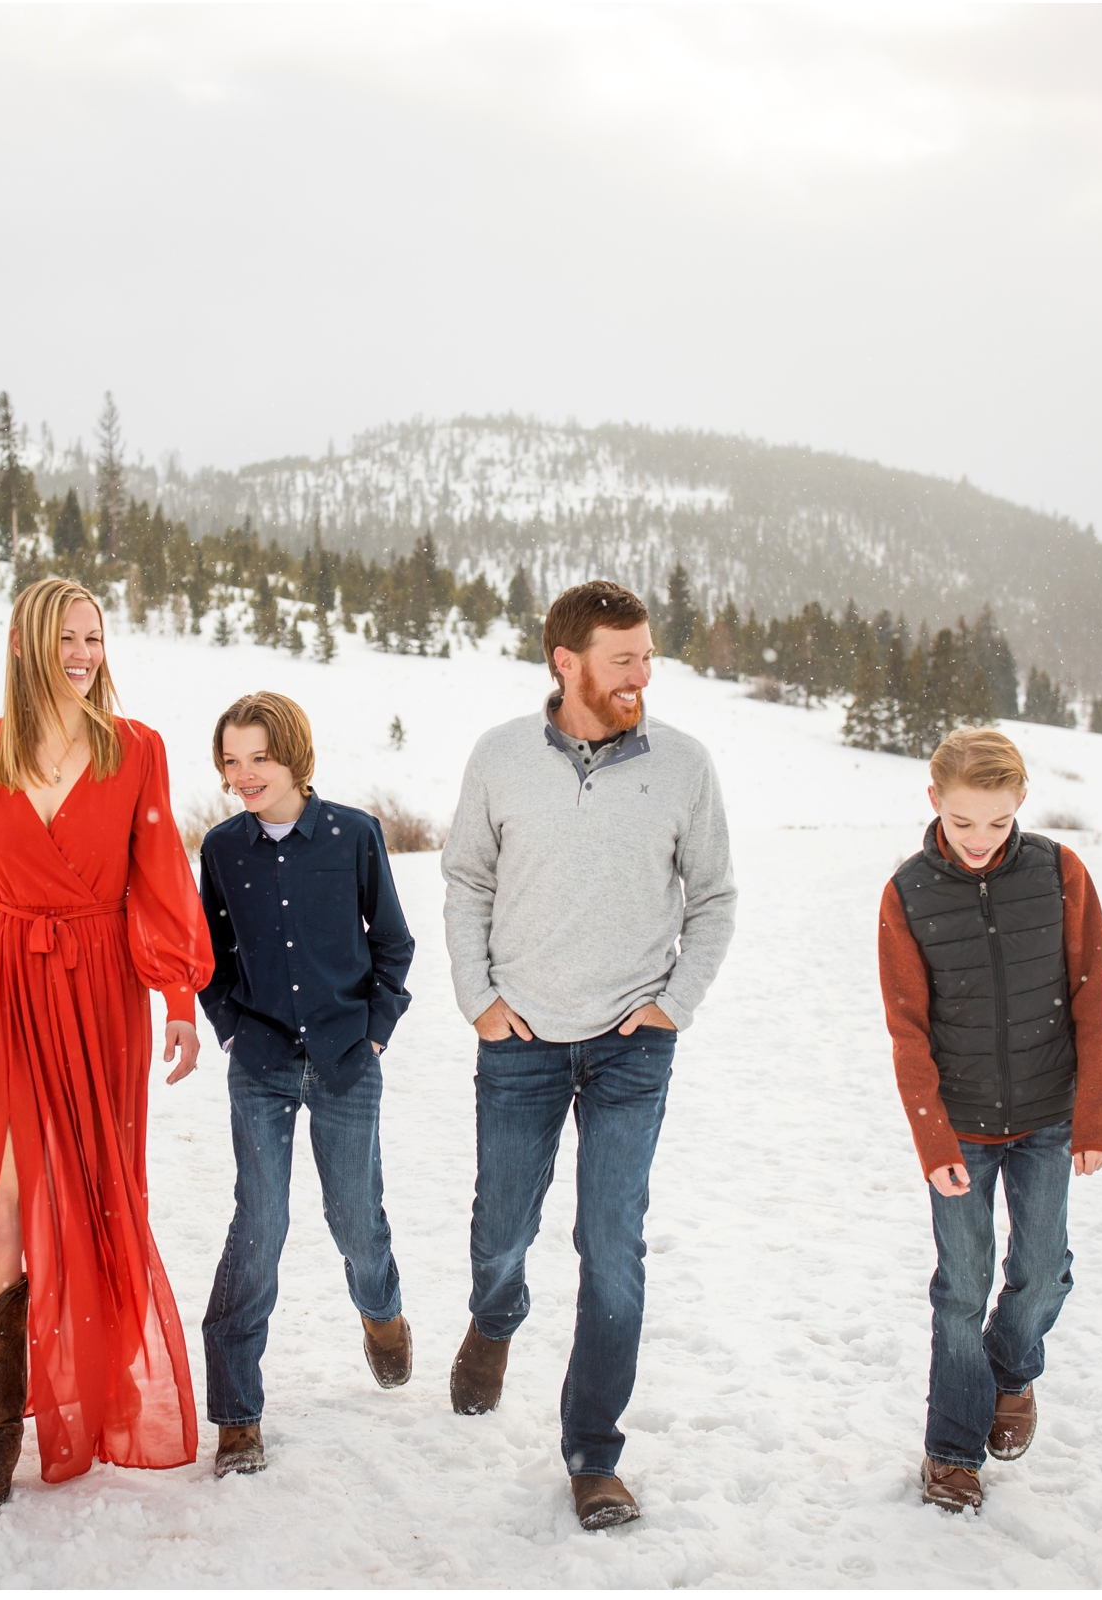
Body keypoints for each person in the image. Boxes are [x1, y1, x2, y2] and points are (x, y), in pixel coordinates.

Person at [0, 576, 212, 1507]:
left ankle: (88, 1390)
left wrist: (179, 998)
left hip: (98, 989)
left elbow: (160, 878)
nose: (83, 653)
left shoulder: (135, 749)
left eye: (95, 637)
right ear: (27, 645)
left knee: (87, 1197)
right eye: (67, 637)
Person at [440, 580, 737, 1531]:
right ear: (565, 662)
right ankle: (495, 1315)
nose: (642, 676)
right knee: (501, 1233)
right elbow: (465, 880)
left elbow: (715, 897)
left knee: (612, 1248)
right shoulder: (500, 757)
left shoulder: (684, 765)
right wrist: (478, 998)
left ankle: (592, 1454)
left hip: (628, 1045)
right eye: (623, 660)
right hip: (520, 1035)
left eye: (647, 657)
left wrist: (674, 1004)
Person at [876, 726, 1102, 1513]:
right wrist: (933, 1139)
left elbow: (1094, 997)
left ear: (1021, 806)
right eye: (962, 822)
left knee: (1045, 1269)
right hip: (962, 1128)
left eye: (998, 822)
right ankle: (951, 1448)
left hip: (1049, 1115)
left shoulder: (1060, 873)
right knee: (962, 1284)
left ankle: (1009, 1370)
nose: (980, 840)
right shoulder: (907, 893)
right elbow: (907, 1028)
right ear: (934, 802)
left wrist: (1095, 1120)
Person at [196, 691, 416, 1477]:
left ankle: (381, 1310)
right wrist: (227, 1022)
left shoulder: (355, 835)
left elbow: (392, 944)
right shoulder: (221, 849)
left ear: (293, 755)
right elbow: (211, 955)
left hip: (345, 1057)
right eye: (231, 759)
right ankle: (237, 1412)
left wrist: (376, 1029)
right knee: (258, 1223)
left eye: (258, 756)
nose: (243, 773)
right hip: (259, 1061)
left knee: (354, 1215)